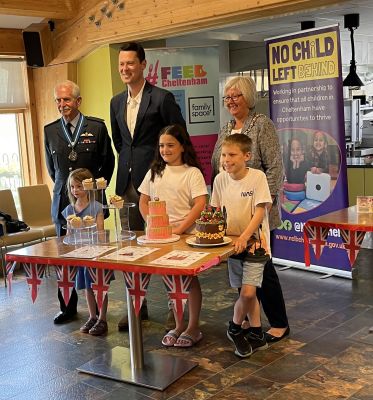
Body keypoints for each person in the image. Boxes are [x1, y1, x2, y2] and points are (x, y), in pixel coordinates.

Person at [110, 42, 186, 330]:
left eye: (130, 63)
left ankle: (174, 307)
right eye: (121, 65)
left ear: (143, 64)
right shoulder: (116, 102)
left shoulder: (162, 98)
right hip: (128, 185)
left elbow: (180, 135)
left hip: (158, 183)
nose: (125, 69)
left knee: (167, 248)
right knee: (132, 249)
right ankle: (137, 306)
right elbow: (121, 143)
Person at [211, 76, 289, 342]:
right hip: (233, 216)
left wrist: (261, 202)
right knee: (241, 274)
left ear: (249, 98)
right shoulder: (225, 129)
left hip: (259, 213)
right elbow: (216, 164)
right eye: (228, 97)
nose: (231, 101)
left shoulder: (262, 125)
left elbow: (275, 168)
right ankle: (245, 320)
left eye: (236, 96)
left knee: (263, 271)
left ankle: (279, 323)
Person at [44, 80, 115, 324]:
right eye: (58, 100)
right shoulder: (50, 130)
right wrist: (72, 191)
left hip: (91, 201)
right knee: (65, 257)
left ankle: (98, 310)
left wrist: (91, 190)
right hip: (65, 201)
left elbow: (108, 163)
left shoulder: (96, 127)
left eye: (66, 99)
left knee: (93, 256)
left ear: (78, 101)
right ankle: (67, 307)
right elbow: (54, 171)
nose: (62, 104)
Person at [138, 124, 207, 347]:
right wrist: (153, 223)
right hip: (162, 236)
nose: (165, 150)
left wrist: (179, 229)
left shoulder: (191, 172)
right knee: (171, 281)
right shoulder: (154, 172)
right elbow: (143, 201)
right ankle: (178, 325)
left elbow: (200, 204)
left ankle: (193, 326)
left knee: (189, 280)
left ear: (182, 146)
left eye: (170, 145)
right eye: (161, 146)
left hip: (186, 236)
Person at [211, 134, 271, 357]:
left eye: (232, 155)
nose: (227, 159)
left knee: (247, 293)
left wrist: (245, 237)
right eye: (224, 155)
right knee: (248, 292)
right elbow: (215, 210)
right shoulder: (219, 180)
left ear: (247, 156)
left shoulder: (257, 177)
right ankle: (256, 334)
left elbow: (260, 211)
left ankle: (235, 328)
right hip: (231, 246)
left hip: (255, 245)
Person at [62, 168, 113, 335]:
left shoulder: (96, 207)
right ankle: (92, 316)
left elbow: (100, 230)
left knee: (99, 286)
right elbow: (69, 235)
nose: (75, 190)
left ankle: (102, 318)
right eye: (72, 187)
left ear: (89, 187)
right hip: (80, 254)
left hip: (95, 254)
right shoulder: (69, 210)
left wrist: (85, 226)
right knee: (86, 287)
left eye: (79, 186)